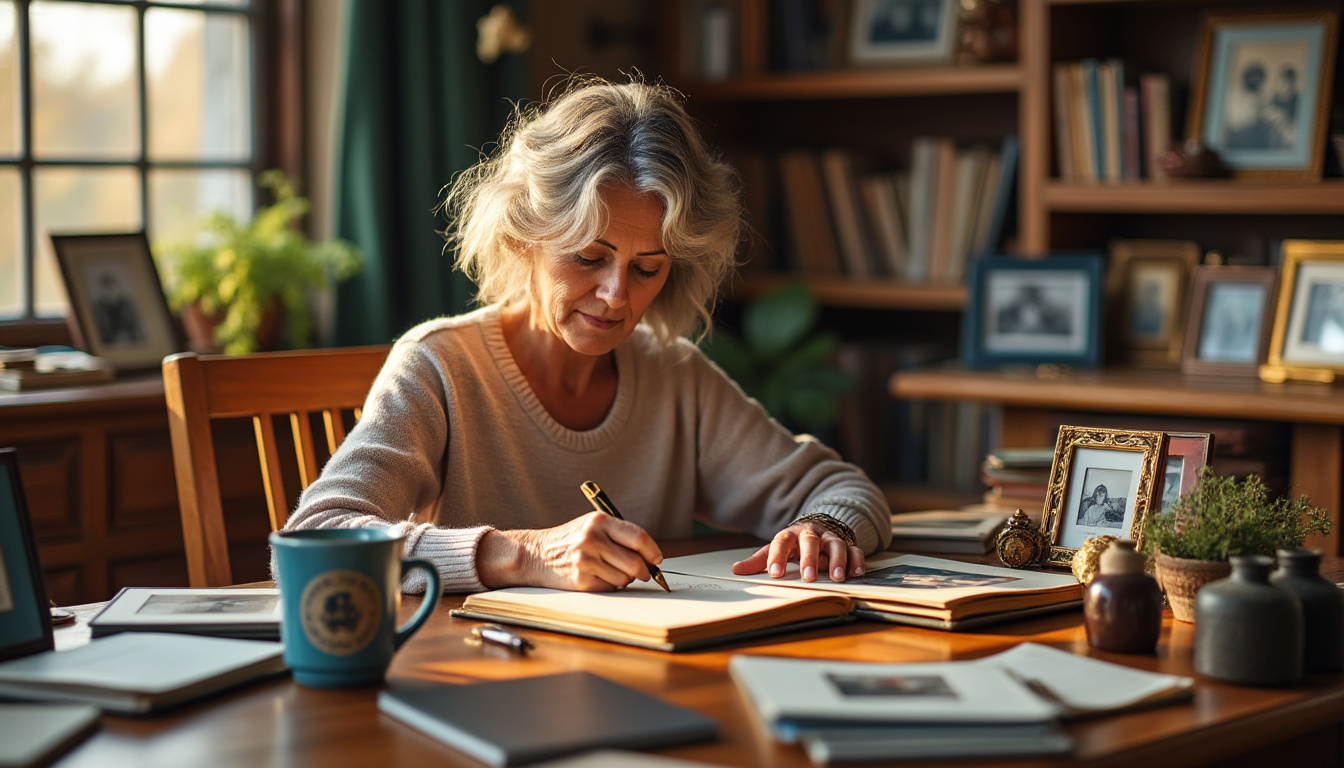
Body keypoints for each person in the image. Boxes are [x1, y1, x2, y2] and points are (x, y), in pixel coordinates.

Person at [281, 77, 892, 595]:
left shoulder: (675, 377)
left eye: (647, 268)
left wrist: (824, 530)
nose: (617, 296)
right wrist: (523, 554)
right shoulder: (440, 367)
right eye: (587, 257)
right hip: (477, 681)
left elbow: (841, 488)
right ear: (525, 235)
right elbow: (315, 536)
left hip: (653, 675)